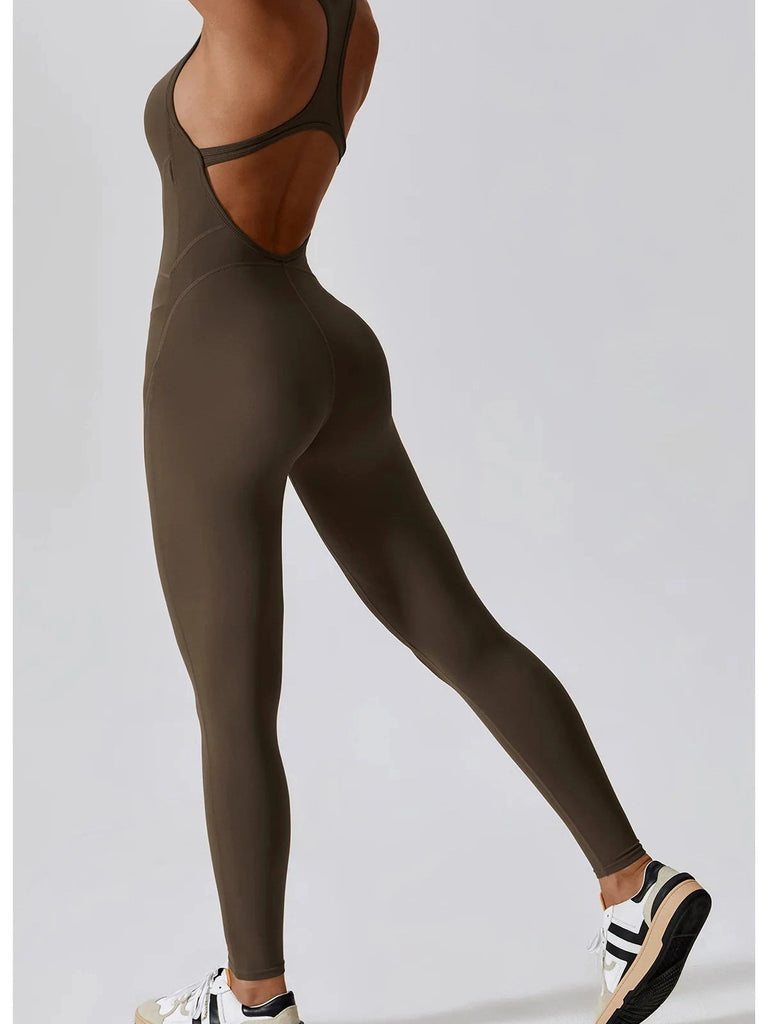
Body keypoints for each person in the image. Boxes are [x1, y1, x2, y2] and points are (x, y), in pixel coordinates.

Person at [136, 3, 711, 1023]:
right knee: (462, 634)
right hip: (329, 346)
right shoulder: (356, 26)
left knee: (233, 703)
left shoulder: (256, 19)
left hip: (220, 362)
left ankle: (253, 997)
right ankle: (636, 882)